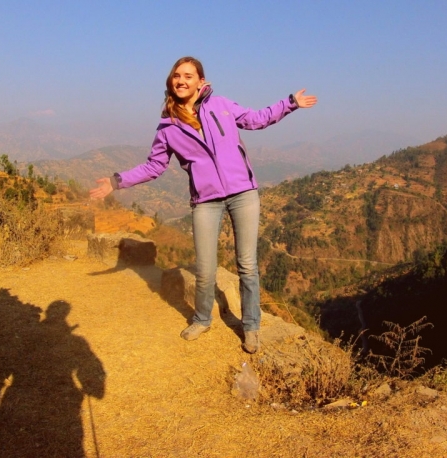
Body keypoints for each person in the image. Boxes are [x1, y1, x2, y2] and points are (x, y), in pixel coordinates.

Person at [90, 56, 317, 354]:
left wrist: (289, 103)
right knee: (206, 269)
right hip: (206, 201)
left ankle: (251, 326)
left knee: (247, 265)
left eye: (188, 75)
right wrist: (116, 181)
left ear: (201, 81)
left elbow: (256, 119)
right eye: (176, 76)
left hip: (243, 193)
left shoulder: (221, 104)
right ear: (171, 82)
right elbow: (153, 167)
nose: (181, 80)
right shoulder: (168, 126)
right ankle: (202, 318)